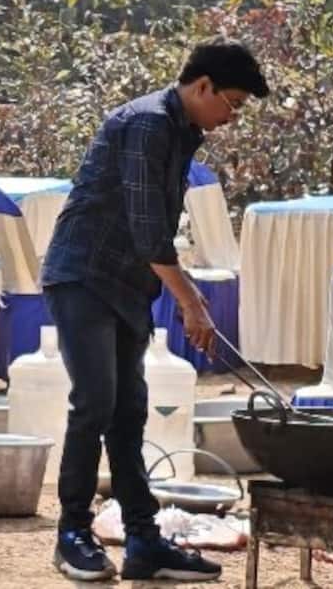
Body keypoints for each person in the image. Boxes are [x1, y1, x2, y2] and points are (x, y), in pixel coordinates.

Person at [38, 39, 269, 583]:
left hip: (127, 284)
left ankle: (143, 539)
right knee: (94, 403)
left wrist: (174, 293)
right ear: (202, 85)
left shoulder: (184, 131)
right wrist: (190, 301)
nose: (230, 118)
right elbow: (148, 230)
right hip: (84, 275)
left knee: (129, 412)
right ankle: (72, 532)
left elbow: (155, 231)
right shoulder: (147, 123)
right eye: (231, 104)